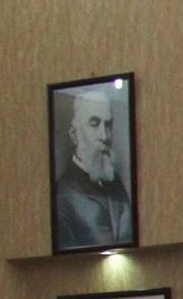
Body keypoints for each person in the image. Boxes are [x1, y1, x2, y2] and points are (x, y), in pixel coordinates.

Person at [52, 86, 135, 249]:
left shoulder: (116, 185)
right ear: (74, 135)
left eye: (108, 125)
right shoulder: (63, 196)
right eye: (94, 124)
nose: (104, 136)